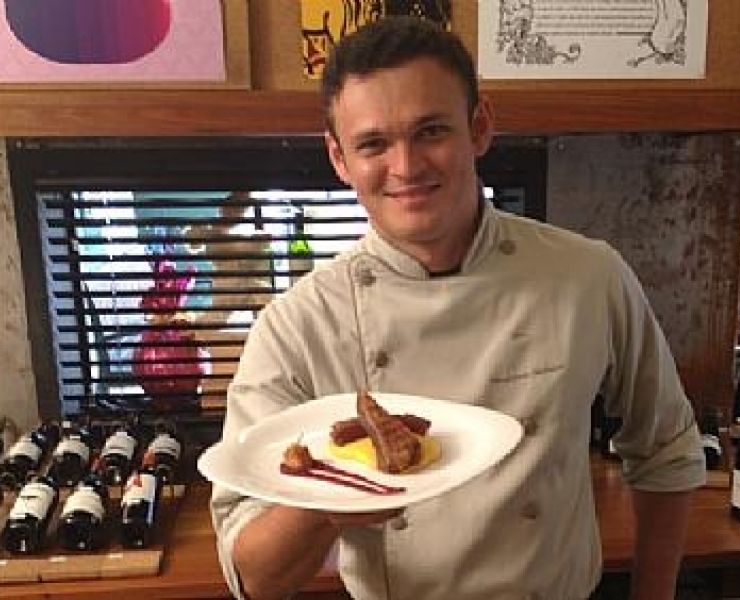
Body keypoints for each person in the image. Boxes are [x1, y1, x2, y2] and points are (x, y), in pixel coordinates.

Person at [210, 16, 705, 600]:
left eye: (431, 131)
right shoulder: (296, 327)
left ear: (479, 128)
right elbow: (253, 577)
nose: (406, 167)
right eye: (373, 144)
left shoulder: (588, 277)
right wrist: (327, 499)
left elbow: (667, 451)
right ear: (339, 159)